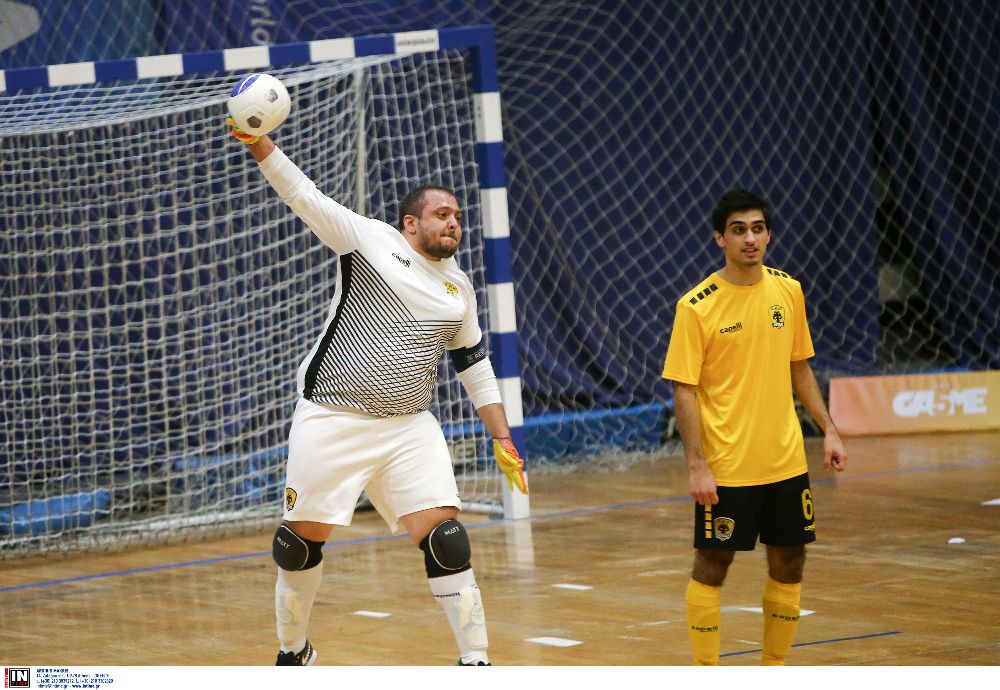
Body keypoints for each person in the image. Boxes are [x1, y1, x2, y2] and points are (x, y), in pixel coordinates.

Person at [226, 118, 529, 666]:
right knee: (296, 546)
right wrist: (258, 142)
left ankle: (477, 662)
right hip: (333, 417)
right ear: (411, 223)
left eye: (459, 217)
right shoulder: (368, 240)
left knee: (447, 539)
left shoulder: (457, 288)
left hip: (409, 427)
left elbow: (473, 365)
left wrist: (502, 437)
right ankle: (294, 653)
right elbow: (303, 193)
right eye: (443, 215)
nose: (454, 224)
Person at [661, 188, 847, 666]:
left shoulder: (788, 290)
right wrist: (698, 466)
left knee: (790, 562)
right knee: (713, 565)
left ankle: (773, 670)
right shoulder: (696, 306)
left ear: (768, 235)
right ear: (719, 238)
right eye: (739, 230)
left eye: (758, 229)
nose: (750, 239)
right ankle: (706, 672)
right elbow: (685, 390)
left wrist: (828, 427)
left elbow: (799, 367)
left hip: (784, 462)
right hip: (727, 469)